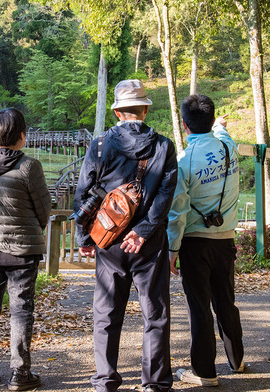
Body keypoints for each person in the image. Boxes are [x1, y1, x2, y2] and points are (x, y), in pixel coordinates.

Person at [73, 79, 178, 392]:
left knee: (107, 312)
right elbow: (165, 196)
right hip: (150, 245)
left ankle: (106, 380)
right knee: (155, 314)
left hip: (109, 242)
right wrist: (143, 231)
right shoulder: (164, 146)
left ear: (118, 113)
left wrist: (85, 238)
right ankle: (155, 383)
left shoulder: (101, 144)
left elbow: (84, 193)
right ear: (144, 109)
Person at [0, 108, 52, 391]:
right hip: (23, 250)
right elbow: (44, 209)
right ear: (21, 135)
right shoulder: (30, 166)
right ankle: (20, 374)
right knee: (21, 310)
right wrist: (33, 226)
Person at [167, 94, 244, 387]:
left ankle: (204, 372)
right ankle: (237, 360)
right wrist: (221, 125)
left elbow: (178, 211)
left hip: (193, 244)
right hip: (225, 240)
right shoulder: (228, 148)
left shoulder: (183, 161)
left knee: (199, 306)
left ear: (185, 125)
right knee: (225, 301)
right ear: (212, 120)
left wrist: (172, 250)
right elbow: (222, 132)